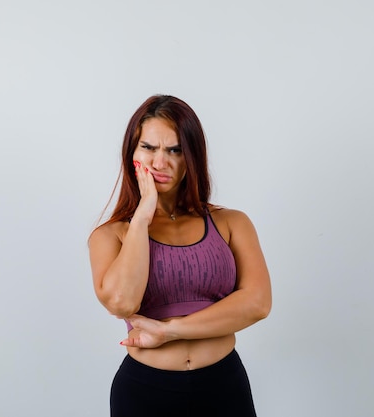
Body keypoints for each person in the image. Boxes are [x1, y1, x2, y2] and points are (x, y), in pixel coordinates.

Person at [88, 95, 271, 416]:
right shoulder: (110, 235)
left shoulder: (231, 222)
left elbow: (257, 304)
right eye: (148, 148)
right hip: (145, 392)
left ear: (192, 156)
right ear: (131, 153)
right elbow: (121, 303)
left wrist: (168, 330)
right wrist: (143, 215)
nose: (160, 163)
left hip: (223, 386)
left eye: (174, 150)